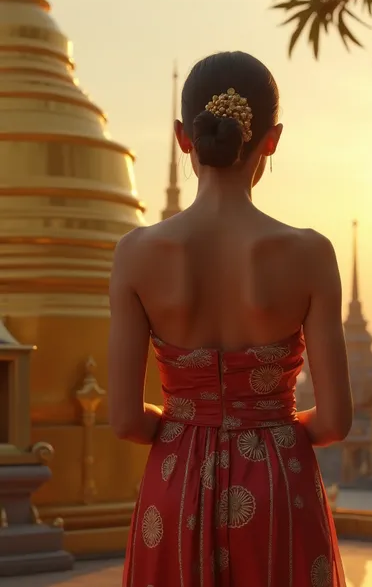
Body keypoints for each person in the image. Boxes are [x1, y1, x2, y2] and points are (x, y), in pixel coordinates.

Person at [108, 51, 352, 587]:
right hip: (278, 487)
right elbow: (334, 422)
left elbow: (125, 420)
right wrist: (270, 424)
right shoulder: (310, 254)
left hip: (173, 486)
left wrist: (185, 425)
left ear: (183, 136)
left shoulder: (136, 253)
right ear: (272, 139)